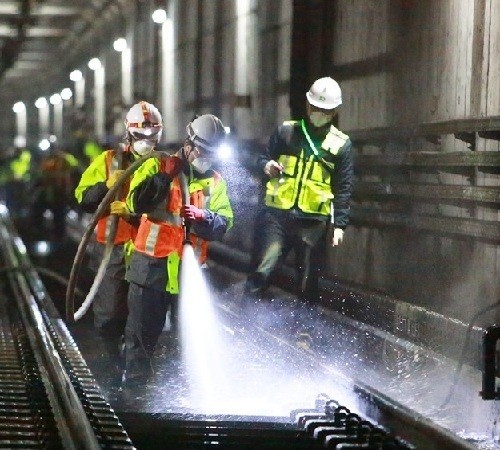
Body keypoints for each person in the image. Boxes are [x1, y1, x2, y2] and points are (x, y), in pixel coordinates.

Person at [122, 114, 233, 385]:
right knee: (140, 339)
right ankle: (134, 395)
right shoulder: (155, 165)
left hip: (187, 272)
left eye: (211, 153)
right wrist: (165, 175)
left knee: (190, 342)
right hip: (151, 268)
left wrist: (203, 217)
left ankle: (180, 398)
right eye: (203, 151)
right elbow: (136, 203)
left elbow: (225, 223)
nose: (206, 157)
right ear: (190, 143)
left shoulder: (215, 181)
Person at [74, 101, 164, 377]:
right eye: (141, 136)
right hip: (111, 248)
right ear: (129, 131)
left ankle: (134, 373)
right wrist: (106, 186)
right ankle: (110, 364)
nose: (146, 142)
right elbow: (83, 198)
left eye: (152, 136)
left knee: (141, 320)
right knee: (109, 314)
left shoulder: (163, 164)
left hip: (146, 249)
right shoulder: (108, 160)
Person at [244, 77, 354, 303]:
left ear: (334, 112)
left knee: (308, 280)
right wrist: (267, 166)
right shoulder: (287, 132)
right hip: (277, 217)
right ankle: (248, 319)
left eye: (325, 109)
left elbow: (343, 186)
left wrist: (340, 225)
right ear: (307, 105)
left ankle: (304, 334)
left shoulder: (341, 145)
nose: (318, 112)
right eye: (315, 107)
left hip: (313, 222)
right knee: (264, 268)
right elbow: (261, 159)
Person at [33, 146, 79, 237]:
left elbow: (72, 169)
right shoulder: (47, 161)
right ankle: (40, 232)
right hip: (48, 192)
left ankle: (58, 236)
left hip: (58, 193)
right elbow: (41, 174)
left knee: (59, 216)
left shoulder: (64, 160)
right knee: (38, 212)